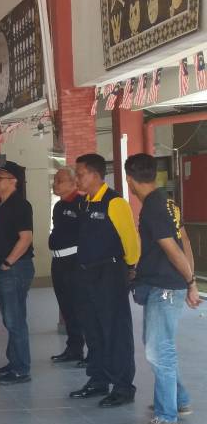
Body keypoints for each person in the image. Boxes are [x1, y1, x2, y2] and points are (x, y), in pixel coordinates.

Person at [125, 153, 201, 424]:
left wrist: (190, 282)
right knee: (158, 345)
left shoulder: (153, 208)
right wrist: (189, 278)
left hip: (165, 287)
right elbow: (185, 240)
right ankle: (179, 400)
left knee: (159, 350)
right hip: (168, 283)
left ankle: (166, 417)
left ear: (129, 179)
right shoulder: (168, 202)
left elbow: (171, 247)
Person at [70, 153, 141, 408]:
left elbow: (131, 241)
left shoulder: (115, 202)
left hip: (109, 274)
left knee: (115, 331)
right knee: (94, 330)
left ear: (95, 174)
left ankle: (123, 387)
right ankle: (99, 379)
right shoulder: (85, 203)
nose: (77, 179)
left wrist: (130, 267)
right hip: (86, 274)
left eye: (80, 174)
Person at [0, 161, 35, 386]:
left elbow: (25, 238)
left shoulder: (20, 205)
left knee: (15, 320)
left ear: (14, 181)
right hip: (4, 267)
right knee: (10, 318)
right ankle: (13, 361)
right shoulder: (1, 205)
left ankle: (21, 369)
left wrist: (7, 262)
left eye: (0, 178)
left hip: (16, 269)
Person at [49, 167, 85, 365]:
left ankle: (93, 352)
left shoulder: (81, 203)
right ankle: (74, 348)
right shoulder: (58, 206)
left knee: (80, 308)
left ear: (73, 183)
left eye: (59, 180)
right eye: (54, 180)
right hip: (58, 262)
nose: (54, 184)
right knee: (66, 307)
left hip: (75, 262)